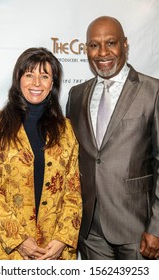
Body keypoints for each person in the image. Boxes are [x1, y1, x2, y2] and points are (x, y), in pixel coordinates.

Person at [66, 16, 159, 260]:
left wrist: (156, 227)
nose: (102, 52)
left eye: (111, 43)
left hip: (137, 228)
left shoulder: (153, 91)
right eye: (94, 45)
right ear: (86, 49)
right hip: (90, 231)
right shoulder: (76, 95)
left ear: (125, 45)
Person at [0, 47, 82, 260]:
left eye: (44, 76)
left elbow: (73, 190)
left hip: (55, 250)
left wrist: (62, 239)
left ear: (53, 83)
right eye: (29, 74)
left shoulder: (66, 130)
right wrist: (18, 239)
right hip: (6, 250)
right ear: (18, 79)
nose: (36, 83)